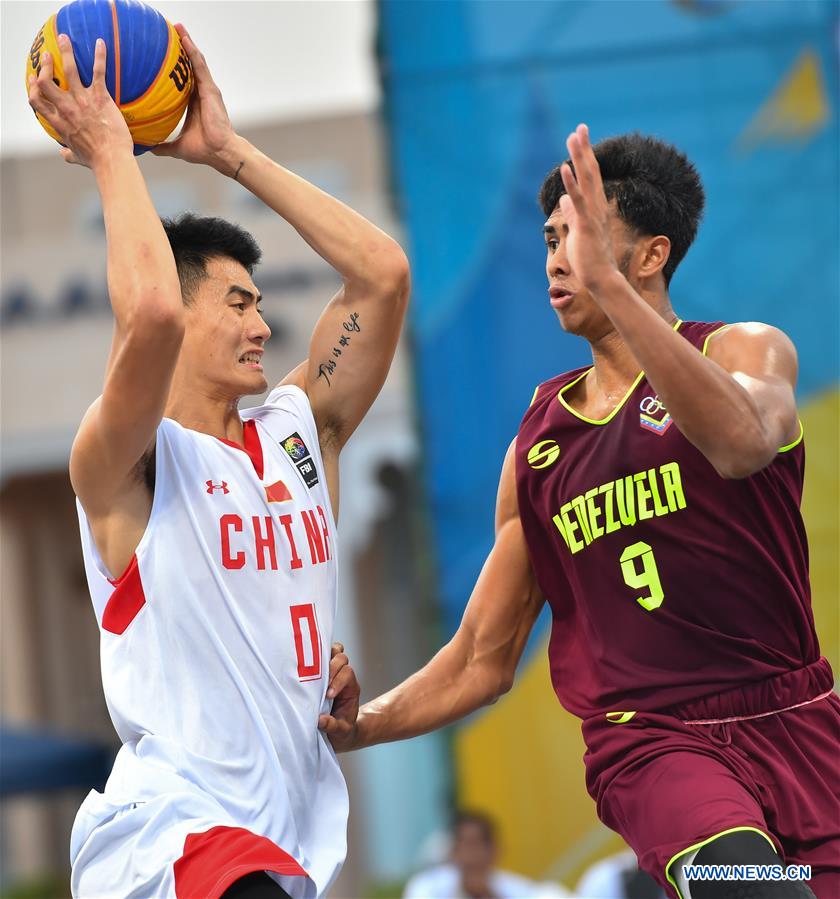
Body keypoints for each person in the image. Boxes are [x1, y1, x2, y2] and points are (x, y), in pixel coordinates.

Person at [326, 126, 839, 899]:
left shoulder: (745, 351)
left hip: (798, 717)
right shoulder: (539, 444)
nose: (559, 259)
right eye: (551, 238)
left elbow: (739, 445)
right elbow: (479, 658)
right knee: (755, 888)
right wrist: (362, 726)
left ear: (651, 255)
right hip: (656, 744)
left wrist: (618, 296)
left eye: (581, 236)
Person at [27, 25, 405, 899]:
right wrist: (111, 148)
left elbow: (381, 274)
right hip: (169, 837)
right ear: (192, 316)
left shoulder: (299, 431)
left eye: (262, 304)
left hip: (282, 838)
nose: (262, 325)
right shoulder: (128, 459)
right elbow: (151, 312)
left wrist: (229, 152)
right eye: (237, 303)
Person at [403, 811, 570, 899]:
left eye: (477, 844)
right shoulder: (427, 887)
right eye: (464, 845)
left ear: (494, 851)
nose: (471, 855)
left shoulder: (515, 888)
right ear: (453, 851)